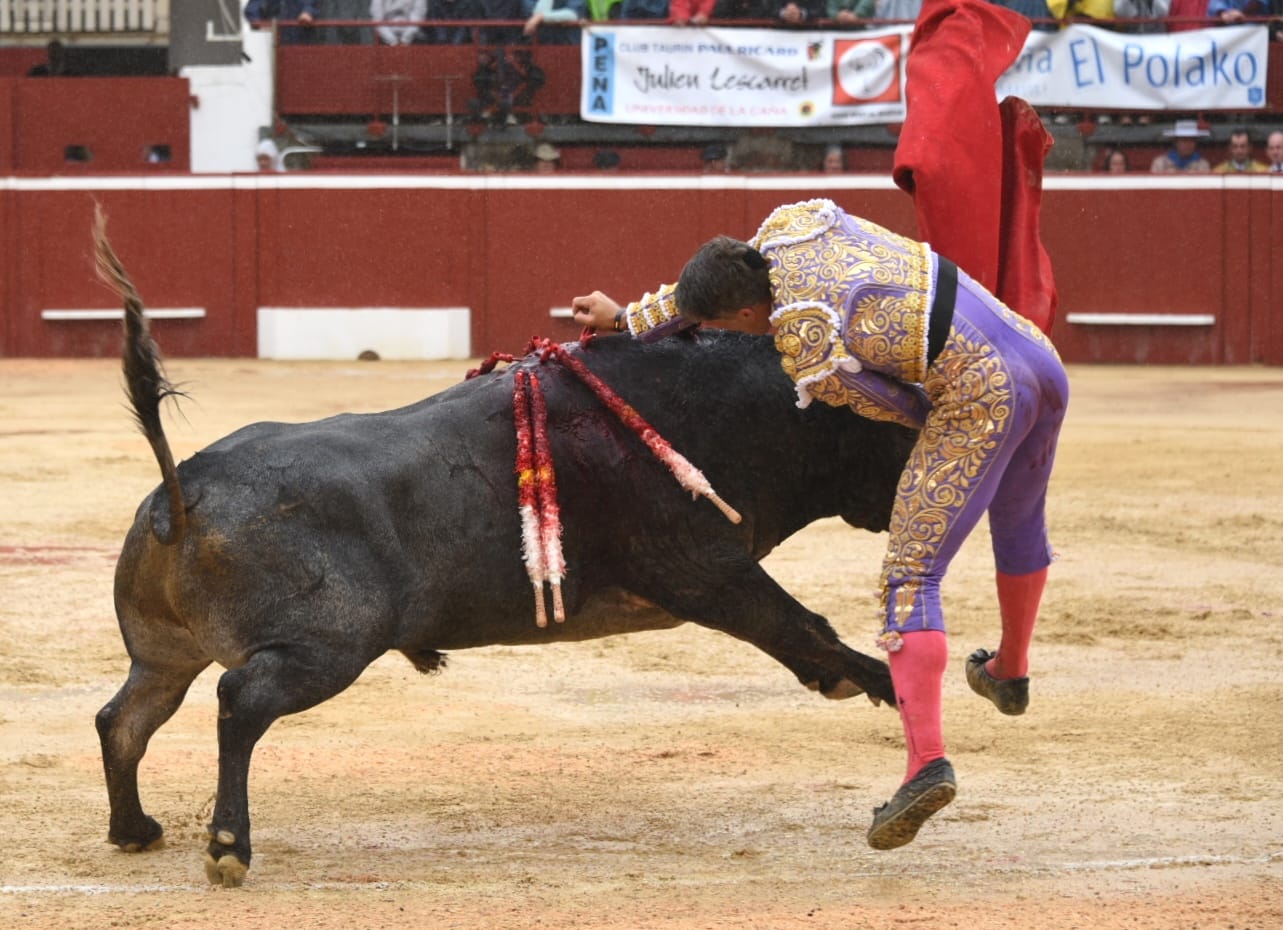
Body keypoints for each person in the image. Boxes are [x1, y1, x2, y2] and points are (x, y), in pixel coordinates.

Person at [572, 198, 1067, 851]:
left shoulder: (806, 342)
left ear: (746, 316)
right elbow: (725, 283)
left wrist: (962, 438)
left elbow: (897, 408)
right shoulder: (793, 225)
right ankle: (1008, 668)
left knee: (910, 580)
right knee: (1019, 521)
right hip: (1036, 353)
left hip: (979, 396)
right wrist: (630, 319)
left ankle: (926, 765)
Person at [244, 0, 320, 43]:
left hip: (300, 40)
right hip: (273, 42)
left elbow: (312, 5)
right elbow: (251, 10)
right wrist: (261, 25)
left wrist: (308, 12)